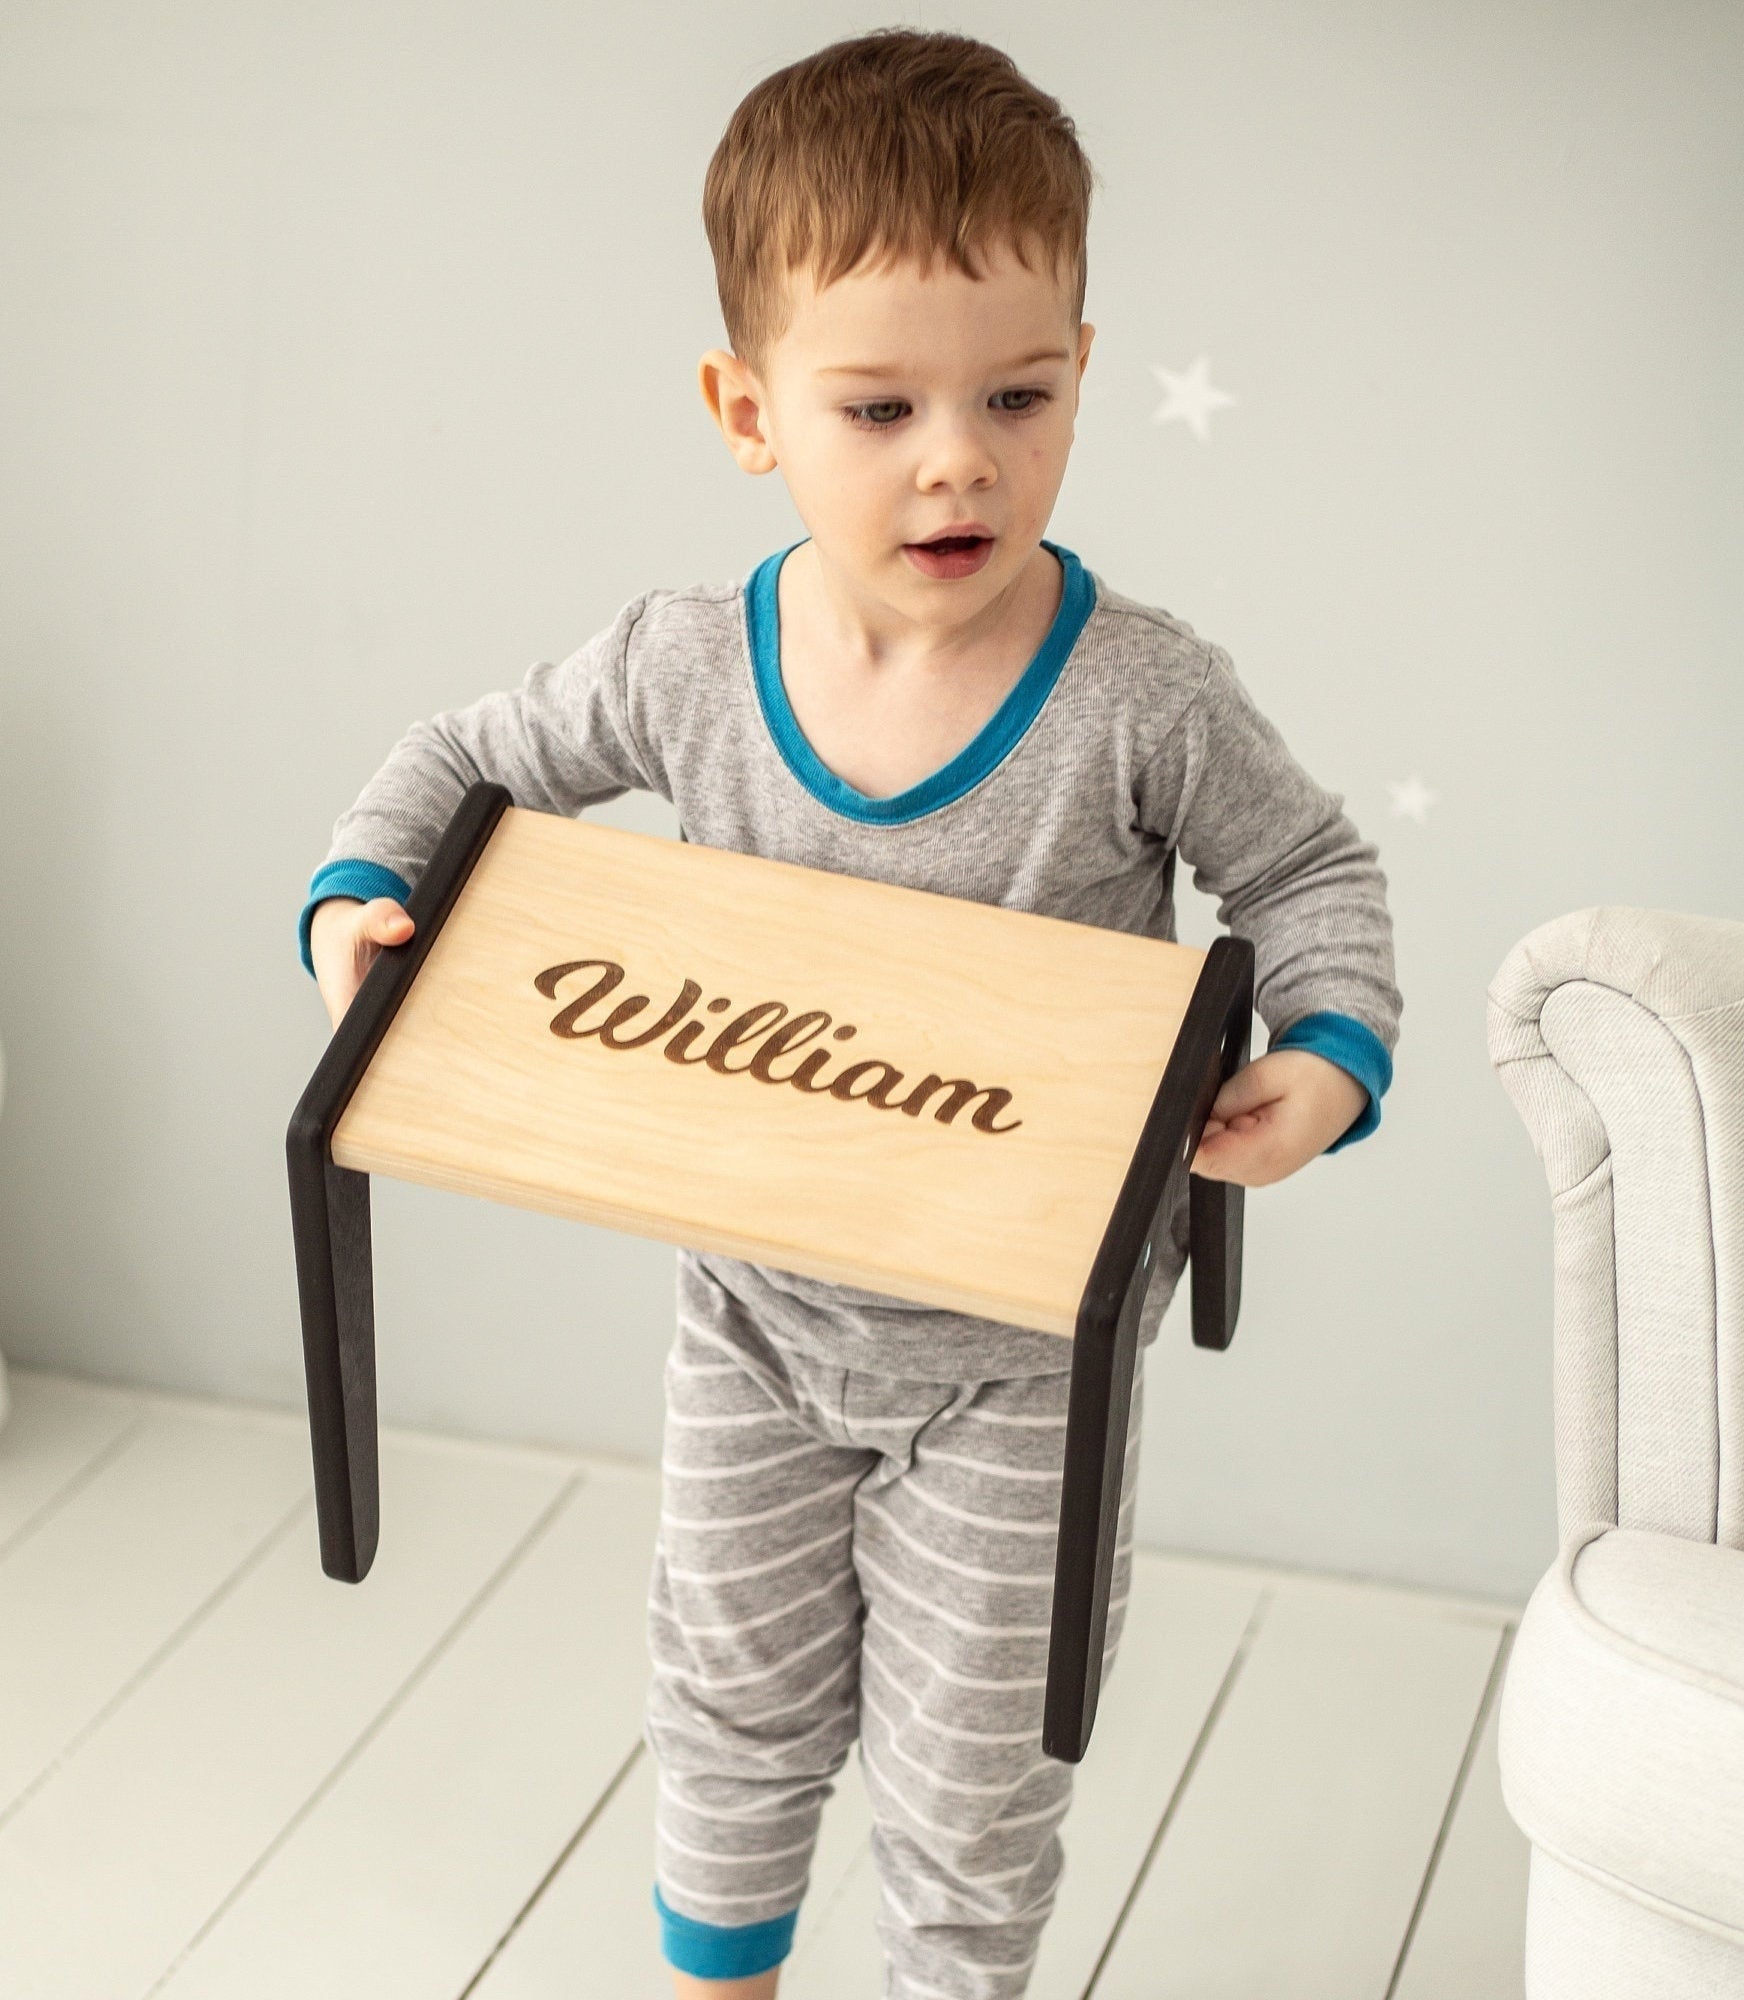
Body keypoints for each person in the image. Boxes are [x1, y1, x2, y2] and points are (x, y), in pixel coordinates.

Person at [299, 28, 1400, 2000]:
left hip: (1022, 1347)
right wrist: (366, 893)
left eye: (1019, 392)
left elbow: (1312, 876)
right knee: (727, 1688)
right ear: (748, 409)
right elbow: (468, 753)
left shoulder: (1135, 701)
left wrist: (1317, 1062)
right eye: (877, 404)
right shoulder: (687, 667)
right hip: (755, 1300)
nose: (956, 455)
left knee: (975, 1763)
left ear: (1080, 364)